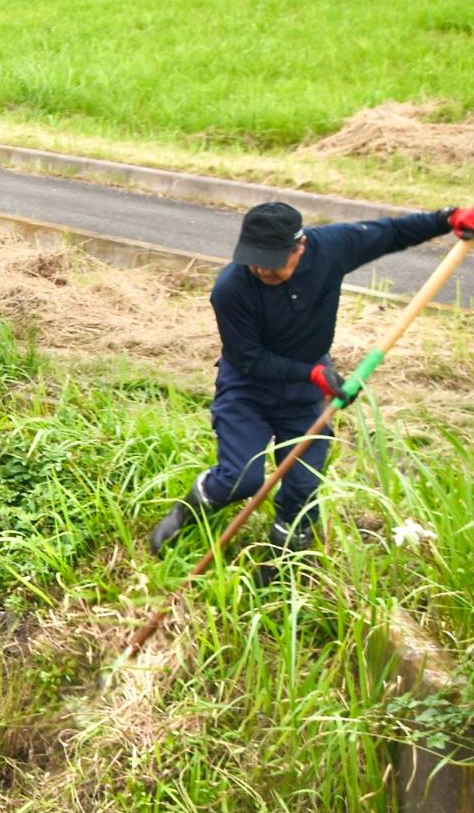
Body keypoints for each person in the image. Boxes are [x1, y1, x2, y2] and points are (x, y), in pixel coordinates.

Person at [149, 200, 472, 565]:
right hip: (247, 389)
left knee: (302, 487)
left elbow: (391, 233)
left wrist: (446, 218)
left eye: (273, 261)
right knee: (240, 479)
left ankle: (282, 561)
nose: (262, 269)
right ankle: (188, 512)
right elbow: (248, 358)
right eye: (255, 260)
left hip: (305, 393)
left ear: (299, 247)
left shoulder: (331, 248)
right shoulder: (231, 287)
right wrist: (312, 374)